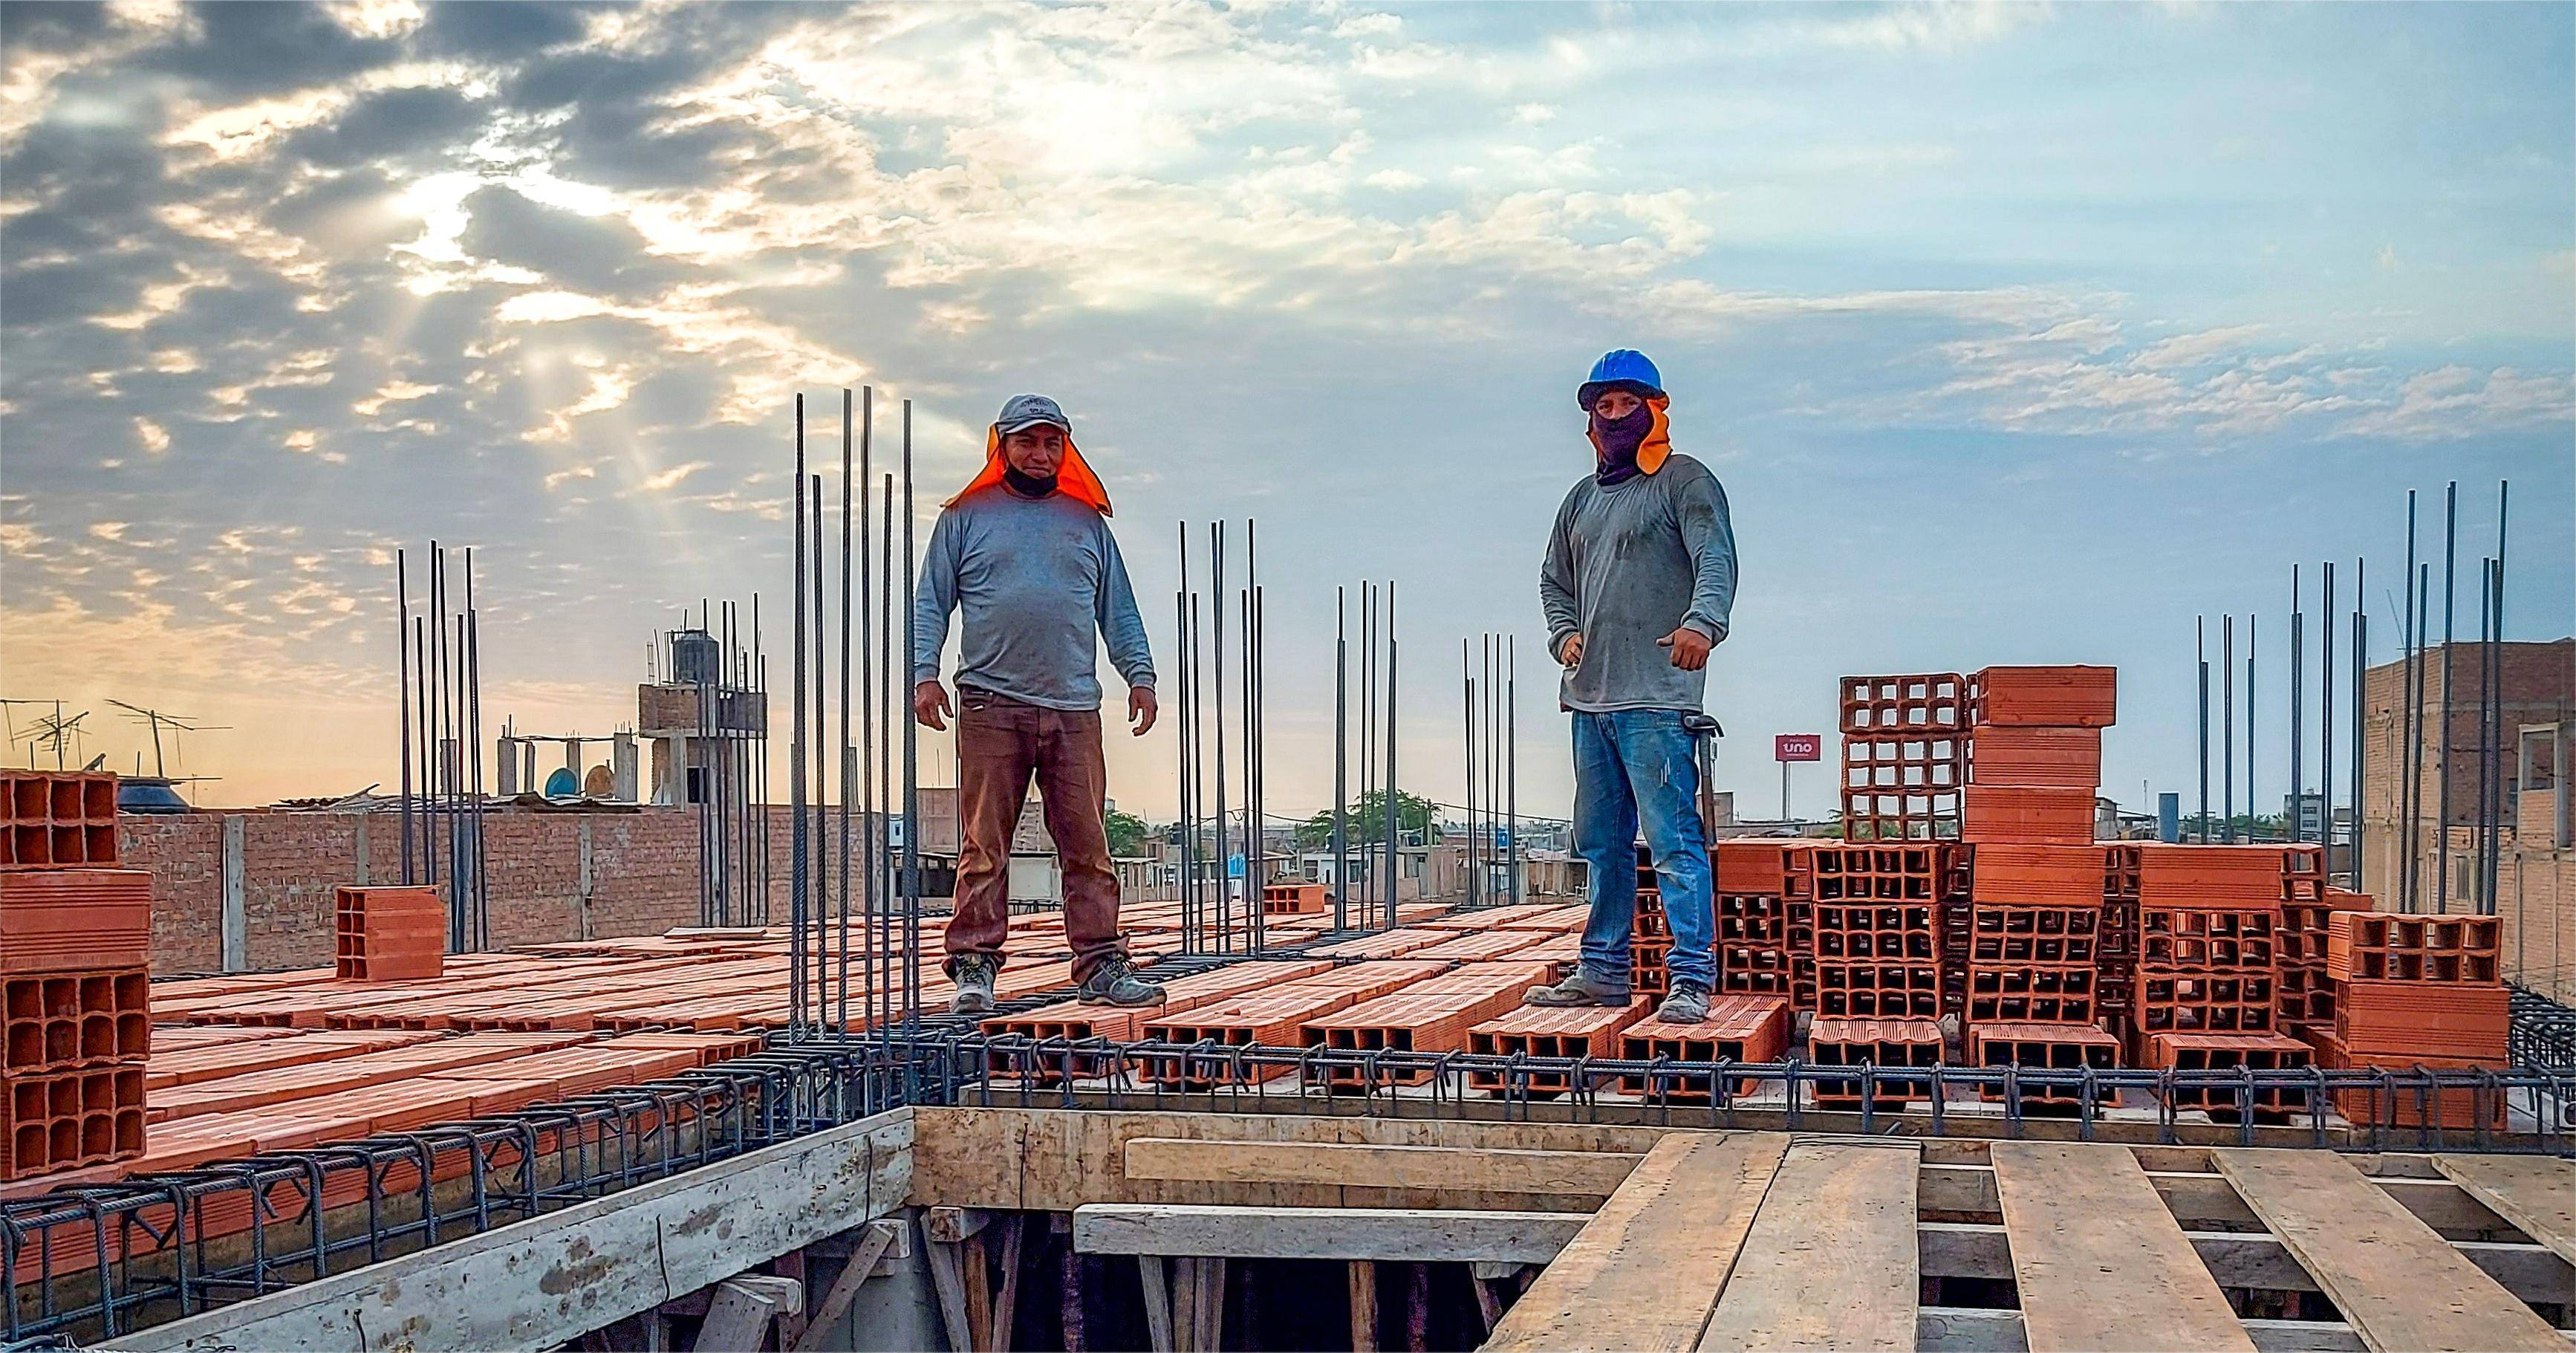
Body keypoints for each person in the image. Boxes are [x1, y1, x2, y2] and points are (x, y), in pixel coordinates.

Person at [914, 393, 1167, 1016]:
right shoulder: (966, 518)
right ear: (1003, 445)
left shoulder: (1086, 525)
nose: (1041, 453)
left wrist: (1141, 675)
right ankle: (974, 969)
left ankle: (1102, 963)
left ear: (1065, 448)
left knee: (1086, 842)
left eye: (1053, 442)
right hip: (990, 703)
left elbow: (1119, 609)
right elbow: (930, 601)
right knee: (984, 842)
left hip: (1073, 709)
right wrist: (925, 673)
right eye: (1028, 441)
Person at [1524, 350, 1737, 1024]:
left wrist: (1703, 622)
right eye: (1603, 407)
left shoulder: (1685, 483)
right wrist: (1563, 635)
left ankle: (1692, 979)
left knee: (1673, 840)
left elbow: (1716, 558)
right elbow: (1553, 581)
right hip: (1592, 701)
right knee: (1600, 841)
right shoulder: (1581, 501)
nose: (1614, 417)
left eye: (1625, 405)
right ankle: (1604, 971)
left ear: (1654, 410)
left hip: (1657, 700)